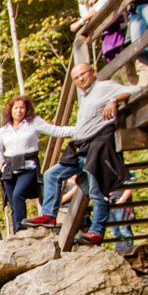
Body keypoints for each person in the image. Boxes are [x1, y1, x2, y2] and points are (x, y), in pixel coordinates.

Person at [25, 63, 138, 235]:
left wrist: (114, 100)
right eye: (76, 78)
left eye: (83, 74)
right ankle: (48, 214)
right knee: (51, 174)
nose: (80, 79)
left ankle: (96, 231)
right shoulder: (84, 96)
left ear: (93, 71)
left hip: (97, 146)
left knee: (95, 189)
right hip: (80, 147)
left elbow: (134, 90)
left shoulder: (104, 87)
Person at [0, 96, 50, 232]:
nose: (19, 111)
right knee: (13, 202)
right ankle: (18, 232)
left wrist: (78, 130)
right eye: (16, 108)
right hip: (9, 169)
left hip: (28, 166)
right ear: (11, 110)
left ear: (27, 109)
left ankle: (21, 229)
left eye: (22, 107)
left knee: (18, 195)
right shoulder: (5, 129)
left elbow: (55, 130)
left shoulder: (34, 123)